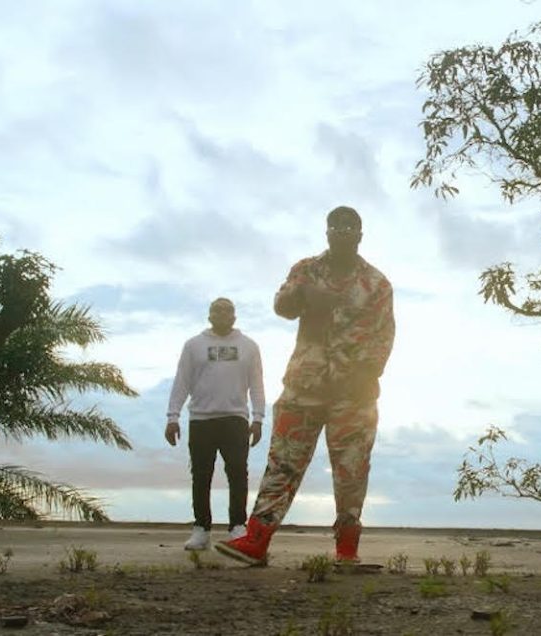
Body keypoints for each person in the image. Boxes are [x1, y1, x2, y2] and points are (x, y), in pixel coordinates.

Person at [216, 205, 395, 565]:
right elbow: (282, 307)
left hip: (354, 396)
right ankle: (256, 540)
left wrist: (364, 376)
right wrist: (306, 294)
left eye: (350, 228)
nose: (342, 233)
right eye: (336, 227)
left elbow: (384, 336)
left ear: (360, 235)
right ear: (326, 233)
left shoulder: (377, 284)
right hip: (304, 386)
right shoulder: (306, 269)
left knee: (351, 471)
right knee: (282, 463)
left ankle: (347, 550)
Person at [165, 297, 266, 551]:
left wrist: (258, 418)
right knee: (201, 475)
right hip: (202, 419)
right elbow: (182, 381)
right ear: (209, 315)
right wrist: (172, 417)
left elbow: (257, 384)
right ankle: (201, 529)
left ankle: (237, 527)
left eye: (227, 310)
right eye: (217, 310)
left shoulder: (249, 346)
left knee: (238, 474)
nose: (222, 314)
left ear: (234, 316)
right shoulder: (193, 345)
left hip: (235, 419)